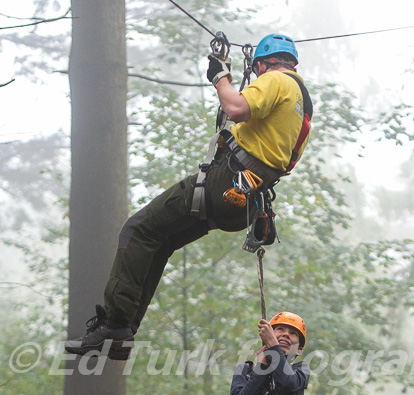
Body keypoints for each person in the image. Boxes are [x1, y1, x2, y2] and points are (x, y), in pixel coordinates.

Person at [65, 34, 313, 360]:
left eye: (257, 72)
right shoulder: (302, 106)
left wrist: (219, 76)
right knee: (160, 240)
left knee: (137, 230)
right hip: (244, 203)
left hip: (226, 184)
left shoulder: (278, 80)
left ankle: (115, 326)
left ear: (265, 64)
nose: (256, 78)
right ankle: (120, 334)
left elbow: (236, 107)